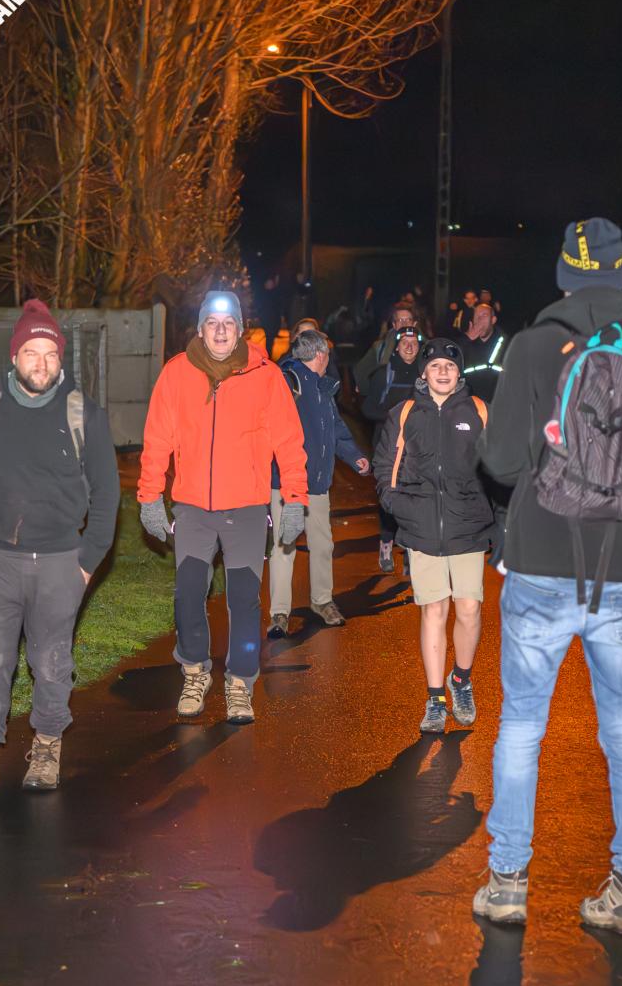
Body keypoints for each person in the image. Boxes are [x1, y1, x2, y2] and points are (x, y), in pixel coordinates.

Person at [473, 218, 622, 933]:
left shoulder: (532, 347)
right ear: (621, 274)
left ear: (564, 273)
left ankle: (507, 881)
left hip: (538, 565)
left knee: (521, 725)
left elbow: (501, 462)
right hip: (621, 572)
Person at [0, 299, 120, 801]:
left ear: (61, 358)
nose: (42, 363)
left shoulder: (85, 414)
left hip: (60, 562)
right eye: (32, 353)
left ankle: (46, 746)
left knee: (51, 660)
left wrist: (87, 563)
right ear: (15, 356)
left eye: (50, 354)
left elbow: (107, 495)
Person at [138, 290, 307, 725]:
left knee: (244, 599)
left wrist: (295, 500)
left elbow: (289, 442)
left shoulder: (266, 376)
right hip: (193, 508)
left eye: (228, 323)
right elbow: (157, 439)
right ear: (200, 329)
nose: (219, 331)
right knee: (188, 594)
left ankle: (240, 682)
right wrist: (150, 496)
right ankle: (195, 671)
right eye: (212, 323)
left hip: (246, 509)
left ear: (239, 330)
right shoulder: (177, 373)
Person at [373, 338, 493, 733]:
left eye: (450, 366)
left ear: (460, 373)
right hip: (421, 528)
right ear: (423, 373)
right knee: (434, 610)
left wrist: (499, 517)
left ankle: (461, 679)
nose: (443, 371)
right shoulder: (405, 413)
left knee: (469, 609)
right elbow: (385, 464)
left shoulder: (479, 411)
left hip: (467, 527)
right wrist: (398, 505)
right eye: (436, 365)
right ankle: (436, 698)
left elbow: (500, 468)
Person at [268, 330, 370, 637]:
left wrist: (354, 456)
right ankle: (279, 613)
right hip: (286, 485)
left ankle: (322, 601)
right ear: (321, 355)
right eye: (329, 356)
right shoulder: (288, 382)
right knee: (284, 546)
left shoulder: (323, 387)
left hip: (318, 483)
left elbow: (335, 427)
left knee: (322, 545)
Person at [363, 325, 424, 572]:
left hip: (416, 447)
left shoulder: (425, 374)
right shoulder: (383, 374)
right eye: (405, 342)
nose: (409, 346)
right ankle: (386, 544)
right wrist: (395, 417)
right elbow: (367, 407)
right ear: (396, 347)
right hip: (388, 446)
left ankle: (410, 552)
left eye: (414, 343)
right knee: (389, 498)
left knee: (414, 498)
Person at [353, 302, 417, 397]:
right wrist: (371, 392)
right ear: (394, 324)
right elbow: (360, 371)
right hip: (387, 399)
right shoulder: (380, 347)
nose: (404, 324)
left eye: (408, 320)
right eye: (400, 320)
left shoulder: (426, 347)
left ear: (414, 324)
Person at [462, 302, 508, 404]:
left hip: (497, 404)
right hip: (470, 405)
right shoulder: (464, 344)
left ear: (493, 320)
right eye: (476, 316)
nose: (479, 319)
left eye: (484, 315)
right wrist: (466, 340)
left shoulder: (507, 345)